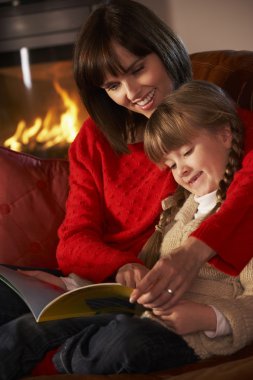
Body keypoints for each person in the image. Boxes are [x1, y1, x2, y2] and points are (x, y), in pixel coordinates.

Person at [0, 0, 253, 375]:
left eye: (138, 69)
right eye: (113, 85)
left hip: (154, 297)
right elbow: (72, 240)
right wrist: (118, 267)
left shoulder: (213, 125)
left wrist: (194, 252)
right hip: (99, 284)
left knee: (107, 342)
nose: (132, 92)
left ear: (165, 50)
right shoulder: (94, 140)